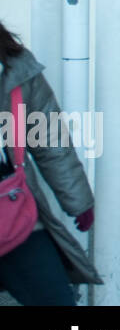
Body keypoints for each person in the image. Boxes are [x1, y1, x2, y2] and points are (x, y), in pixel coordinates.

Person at [0, 21, 101, 305]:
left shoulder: (15, 67)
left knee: (55, 299)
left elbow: (49, 139)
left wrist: (78, 200)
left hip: (11, 207)